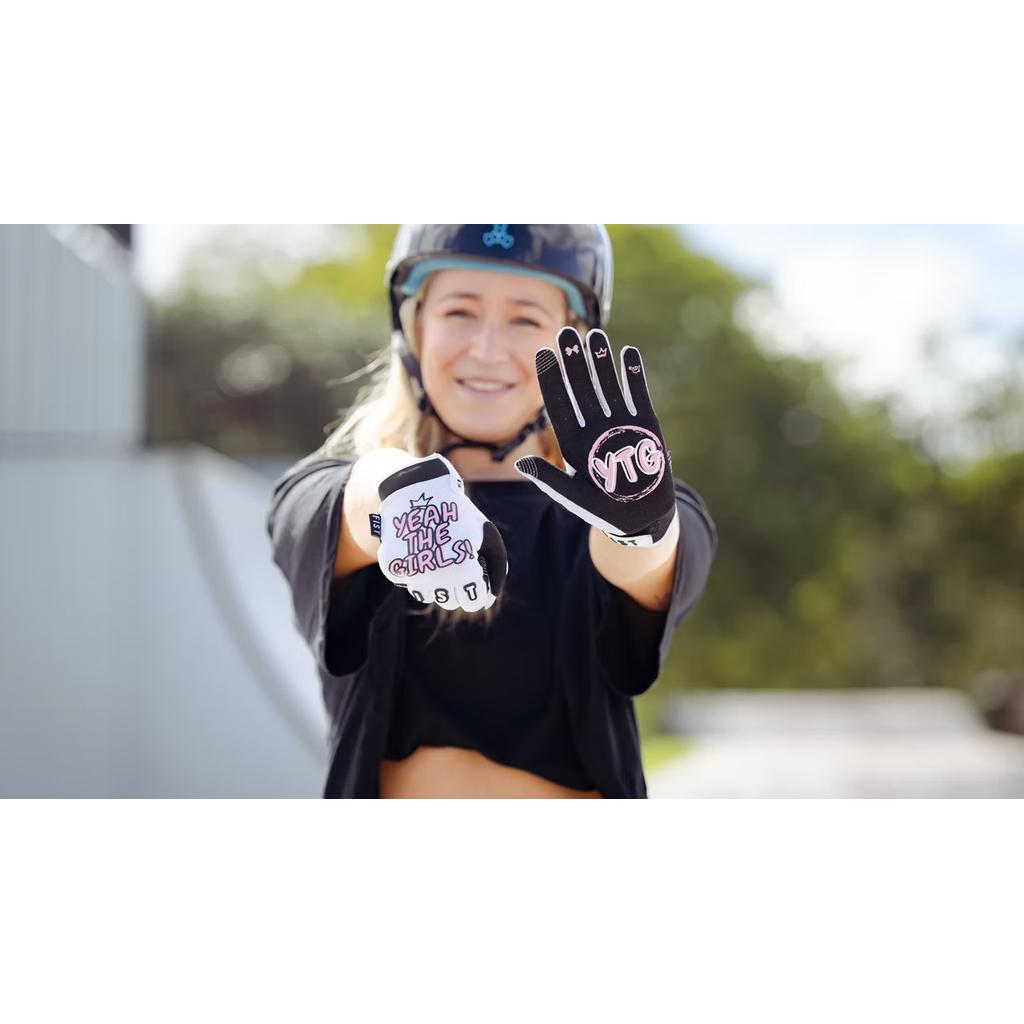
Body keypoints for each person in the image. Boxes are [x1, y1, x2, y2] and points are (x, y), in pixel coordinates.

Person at [266, 225, 717, 798]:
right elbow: (335, 506)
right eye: (460, 311)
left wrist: (638, 526)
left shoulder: (626, 513)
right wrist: (403, 493)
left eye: (526, 319)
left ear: (571, 340)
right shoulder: (339, 491)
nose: (486, 349)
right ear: (415, 326)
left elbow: (652, 559)